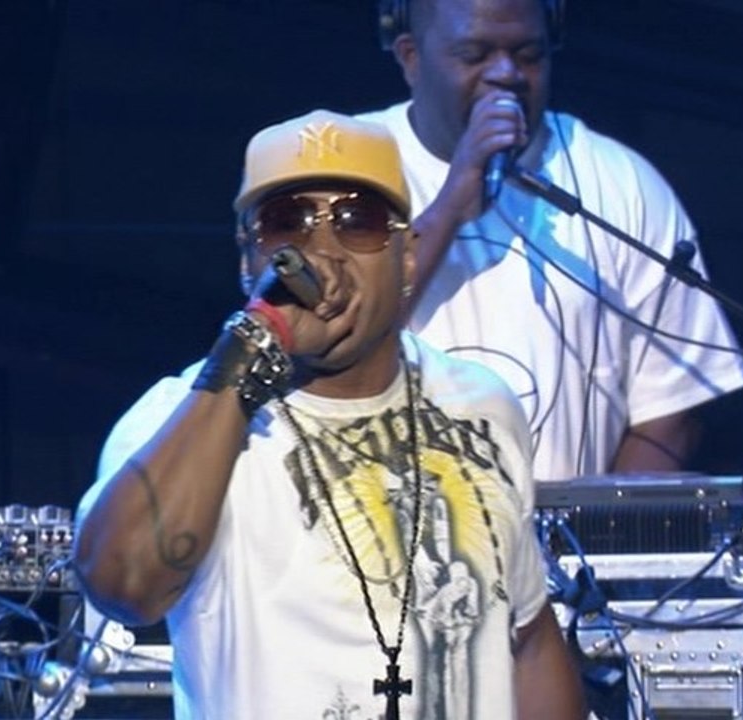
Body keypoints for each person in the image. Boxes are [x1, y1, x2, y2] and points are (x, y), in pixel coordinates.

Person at [73, 109, 586, 719]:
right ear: (248, 259)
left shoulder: (481, 405)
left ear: (408, 257)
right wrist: (251, 346)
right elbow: (125, 588)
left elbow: (527, 637)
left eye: (357, 221)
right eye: (286, 222)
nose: (322, 250)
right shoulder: (181, 420)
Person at [358, 0, 743, 481]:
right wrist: (451, 206)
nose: (506, 74)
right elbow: (331, 342)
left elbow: (673, 409)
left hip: (569, 530)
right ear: (410, 58)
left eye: (528, 54)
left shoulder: (623, 182)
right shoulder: (345, 167)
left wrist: (603, 522)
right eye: (474, 54)